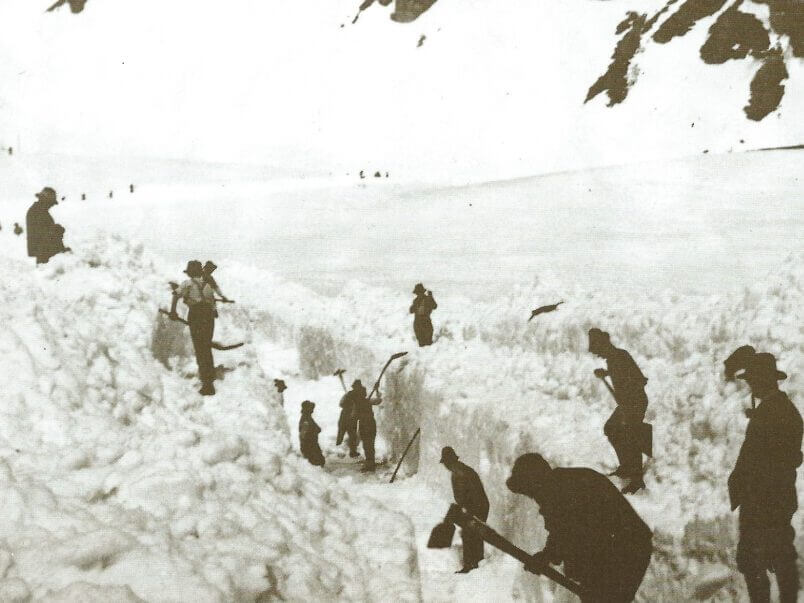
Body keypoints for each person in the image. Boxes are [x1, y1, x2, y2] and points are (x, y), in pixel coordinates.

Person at [506, 453, 652, 602]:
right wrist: (547, 557)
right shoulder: (561, 485)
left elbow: (574, 531)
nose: (532, 497)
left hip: (627, 549)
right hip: (623, 548)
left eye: (529, 491)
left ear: (535, 482)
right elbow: (563, 530)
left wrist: (546, 557)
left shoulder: (562, 490)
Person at [727, 353, 802, 603]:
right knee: (780, 557)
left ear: (763, 381)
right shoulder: (781, 409)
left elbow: (767, 458)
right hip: (776, 500)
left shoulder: (772, 412)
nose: (751, 385)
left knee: (754, 561)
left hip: (762, 501)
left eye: (753, 380)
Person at [589, 328, 649, 493]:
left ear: (604, 345)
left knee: (631, 436)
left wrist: (629, 397)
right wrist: (606, 373)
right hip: (627, 404)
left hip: (635, 402)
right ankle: (626, 466)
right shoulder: (613, 360)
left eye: (598, 351)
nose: (598, 355)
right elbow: (619, 372)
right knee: (612, 429)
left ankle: (637, 480)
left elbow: (640, 380)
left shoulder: (621, 355)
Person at [169, 260, 217, 396]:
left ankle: (207, 384)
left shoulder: (187, 283)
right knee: (206, 346)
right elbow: (212, 304)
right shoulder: (207, 284)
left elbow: (175, 295)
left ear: (190, 273)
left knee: (200, 348)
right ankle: (209, 380)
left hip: (196, 316)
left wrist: (173, 312)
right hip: (209, 318)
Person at [440, 446, 490, 573]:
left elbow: (464, 496)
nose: (445, 465)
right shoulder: (459, 469)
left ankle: (470, 565)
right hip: (478, 505)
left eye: (445, 462)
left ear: (449, 461)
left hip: (477, 506)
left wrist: (465, 511)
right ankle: (476, 562)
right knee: (473, 533)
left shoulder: (459, 472)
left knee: (469, 532)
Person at [26, 187, 69, 265]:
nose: (51, 206)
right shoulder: (37, 212)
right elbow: (42, 234)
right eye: (50, 203)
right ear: (45, 200)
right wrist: (57, 229)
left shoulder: (39, 211)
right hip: (45, 255)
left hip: (46, 253)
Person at [350, 379, 381, 472]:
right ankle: (370, 463)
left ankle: (370, 465)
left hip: (365, 425)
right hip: (369, 424)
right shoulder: (366, 402)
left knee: (368, 446)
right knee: (369, 445)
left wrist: (376, 390)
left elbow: (353, 416)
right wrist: (376, 390)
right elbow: (378, 400)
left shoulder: (360, 403)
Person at [337, 381, 362, 458]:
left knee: (353, 436)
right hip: (344, 417)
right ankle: (338, 451)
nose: (357, 388)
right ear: (354, 387)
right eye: (355, 387)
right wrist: (349, 405)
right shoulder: (348, 395)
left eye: (358, 387)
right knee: (341, 434)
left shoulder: (360, 396)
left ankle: (353, 452)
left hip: (353, 419)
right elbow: (340, 404)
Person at [299, 401, 325, 467]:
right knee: (316, 462)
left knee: (319, 460)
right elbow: (303, 434)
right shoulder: (306, 419)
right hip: (310, 445)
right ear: (307, 409)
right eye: (311, 408)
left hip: (312, 443)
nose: (313, 410)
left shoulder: (308, 417)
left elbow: (317, 428)